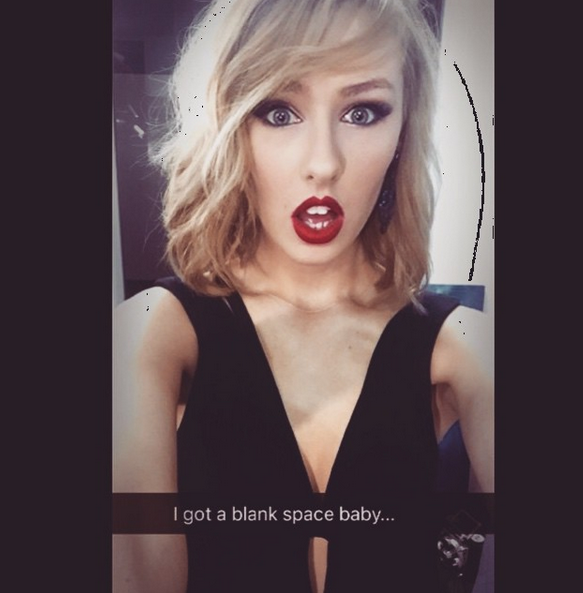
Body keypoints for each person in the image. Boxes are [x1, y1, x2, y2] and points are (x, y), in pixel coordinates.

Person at [113, 1, 494, 592]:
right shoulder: (151, 335)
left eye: (362, 112)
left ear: (403, 131)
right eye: (279, 111)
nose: (323, 164)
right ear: (231, 123)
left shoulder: (468, 346)